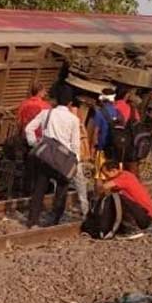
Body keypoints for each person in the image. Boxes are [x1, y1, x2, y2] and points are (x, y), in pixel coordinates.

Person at [24, 85, 80, 227]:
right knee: (62, 189)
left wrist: (35, 144)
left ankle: (32, 220)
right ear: (70, 103)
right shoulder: (73, 119)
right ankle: (54, 220)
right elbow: (75, 144)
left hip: (46, 156)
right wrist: (76, 161)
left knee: (39, 188)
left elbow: (29, 128)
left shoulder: (46, 113)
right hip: (63, 159)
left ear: (56, 100)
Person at [93, 160, 152, 239]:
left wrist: (98, 180)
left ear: (114, 171)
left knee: (117, 198)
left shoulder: (124, 177)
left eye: (106, 175)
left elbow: (104, 188)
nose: (106, 177)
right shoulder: (123, 176)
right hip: (140, 213)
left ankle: (131, 230)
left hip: (145, 216)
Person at [17, 81, 52, 193]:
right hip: (39, 141)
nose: (45, 93)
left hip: (25, 139)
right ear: (40, 91)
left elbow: (19, 122)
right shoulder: (46, 106)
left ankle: (24, 190)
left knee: (25, 167)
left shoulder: (24, 104)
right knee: (37, 170)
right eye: (44, 91)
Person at [91, 87, 121, 178]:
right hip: (115, 147)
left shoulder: (99, 112)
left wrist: (92, 147)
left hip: (102, 147)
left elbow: (96, 131)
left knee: (100, 175)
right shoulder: (118, 112)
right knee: (114, 175)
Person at [114, 84, 141, 176]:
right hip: (129, 141)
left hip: (114, 139)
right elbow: (137, 122)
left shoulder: (113, 106)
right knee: (130, 169)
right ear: (126, 95)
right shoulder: (131, 108)